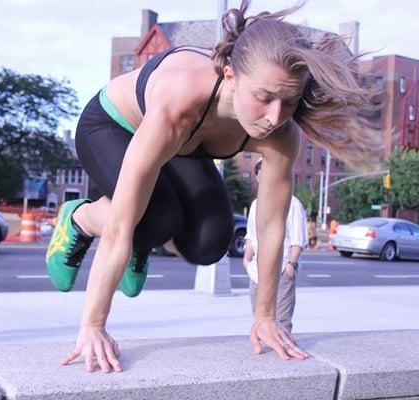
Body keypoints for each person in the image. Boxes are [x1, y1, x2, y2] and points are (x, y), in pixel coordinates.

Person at [46, 0, 380, 373]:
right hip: (114, 126)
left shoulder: (282, 135)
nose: (274, 117)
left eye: (288, 101)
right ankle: (79, 218)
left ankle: (144, 236)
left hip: (184, 148)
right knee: (148, 219)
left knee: (210, 243)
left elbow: (271, 226)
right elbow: (121, 224)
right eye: (264, 97)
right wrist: (93, 325)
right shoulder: (180, 99)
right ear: (230, 75)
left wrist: (265, 315)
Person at [244, 158, 307, 333]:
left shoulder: (292, 204)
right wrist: (247, 260)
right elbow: (251, 236)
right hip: (257, 272)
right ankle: (264, 349)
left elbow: (298, 240)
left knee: (282, 319)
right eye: (261, 172)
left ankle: (284, 350)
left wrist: (291, 265)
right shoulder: (255, 205)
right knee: (258, 317)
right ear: (257, 177)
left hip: (282, 271)